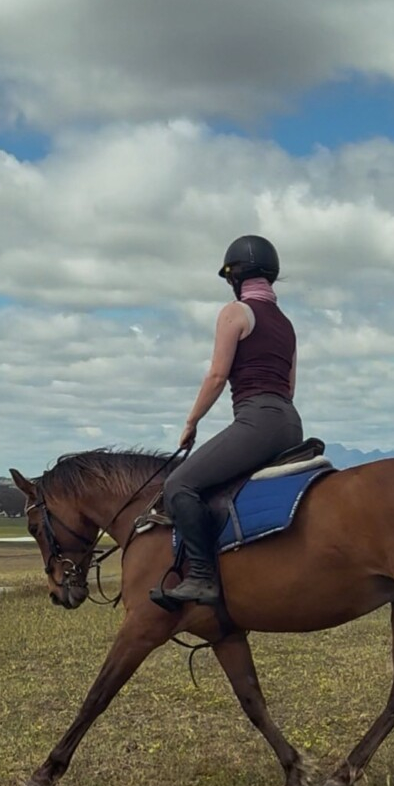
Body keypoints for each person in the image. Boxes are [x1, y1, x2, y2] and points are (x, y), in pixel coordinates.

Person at [158, 235, 303, 605]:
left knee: (179, 485)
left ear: (234, 276)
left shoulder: (234, 313)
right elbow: (289, 385)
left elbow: (217, 376)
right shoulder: (286, 325)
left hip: (258, 419)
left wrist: (191, 422)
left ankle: (204, 578)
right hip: (290, 422)